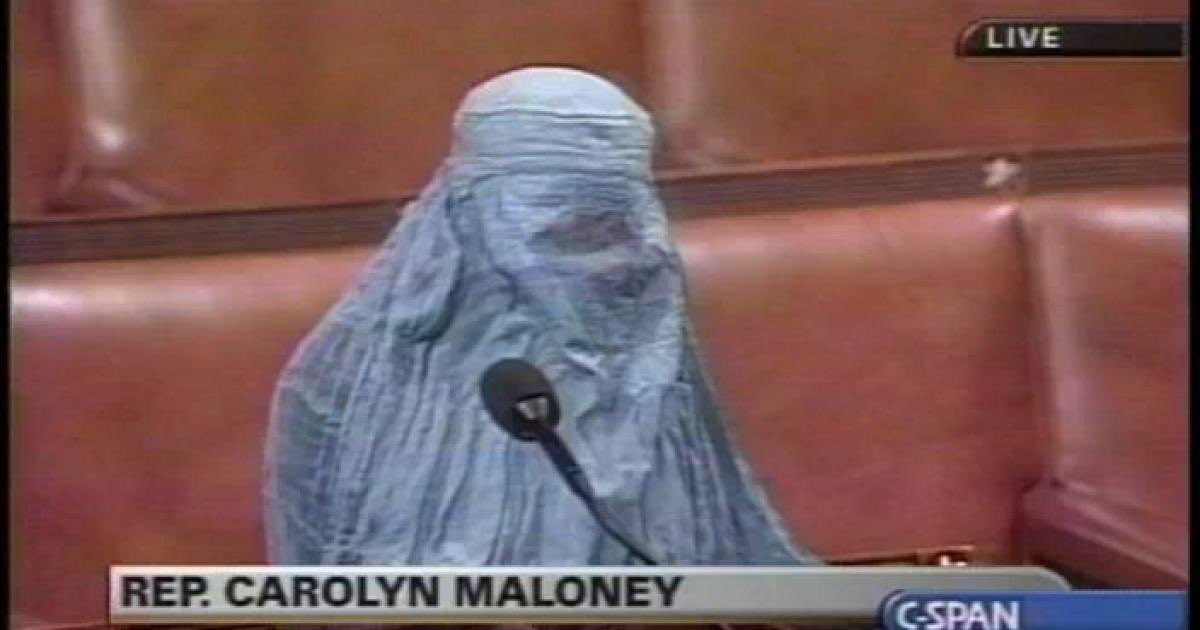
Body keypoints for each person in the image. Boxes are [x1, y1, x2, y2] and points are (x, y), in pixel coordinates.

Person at [263, 66, 820, 567]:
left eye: (614, 227)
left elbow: (715, 562)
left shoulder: (652, 346)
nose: (605, 260)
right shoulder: (339, 385)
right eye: (560, 228)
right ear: (464, 210)